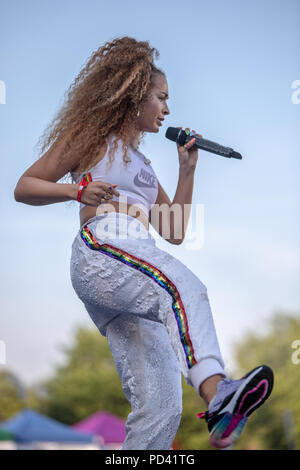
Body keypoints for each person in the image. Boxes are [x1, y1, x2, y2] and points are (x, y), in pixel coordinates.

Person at [14, 36, 274, 450]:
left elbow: (173, 230)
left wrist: (186, 170)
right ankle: (217, 391)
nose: (167, 109)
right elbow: (24, 186)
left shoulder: (146, 170)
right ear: (134, 96)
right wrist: (76, 192)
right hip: (103, 248)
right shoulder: (93, 137)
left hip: (135, 265)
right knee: (184, 286)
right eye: (161, 98)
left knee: (162, 403)